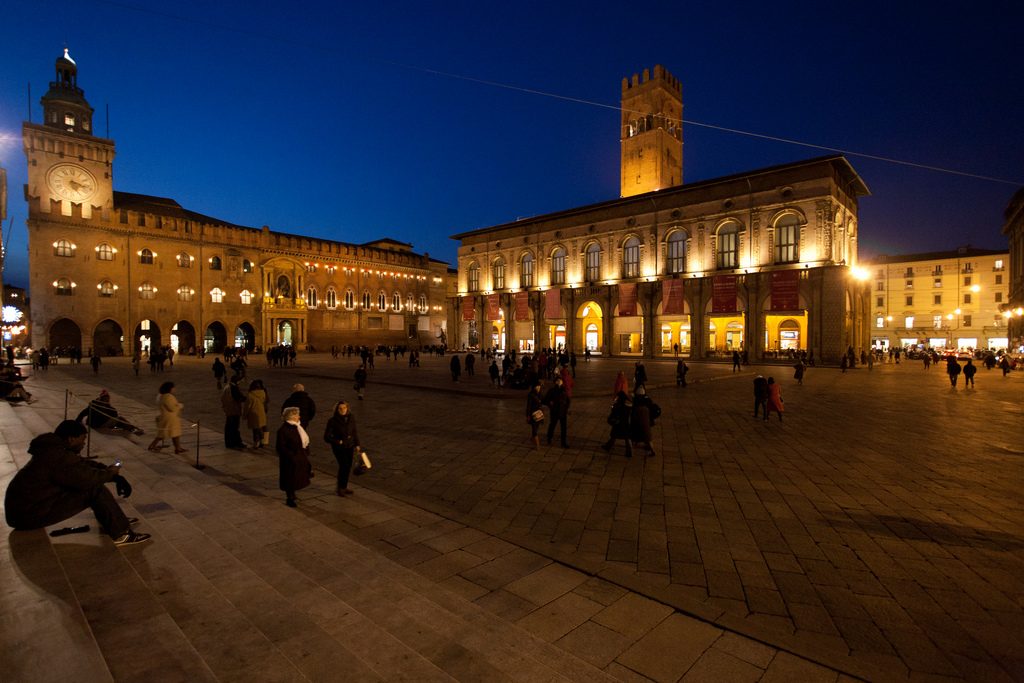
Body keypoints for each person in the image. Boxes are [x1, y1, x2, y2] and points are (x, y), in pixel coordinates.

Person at [4, 420, 150, 546]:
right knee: (93, 489)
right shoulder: (57, 457)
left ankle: (114, 519)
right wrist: (110, 474)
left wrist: (109, 473)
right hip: (27, 516)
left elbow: (81, 464)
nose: (84, 443)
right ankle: (121, 534)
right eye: (82, 439)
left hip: (27, 509)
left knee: (92, 484)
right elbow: (86, 478)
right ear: (71, 439)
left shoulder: (54, 450)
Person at [276, 407, 312, 508]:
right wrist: (292, 456)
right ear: (291, 417)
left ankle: (293, 494)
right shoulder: (283, 430)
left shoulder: (297, 427)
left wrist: (305, 452)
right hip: (289, 460)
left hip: (299, 457)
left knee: (296, 478)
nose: (299, 417)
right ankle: (289, 498)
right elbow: (280, 447)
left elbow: (303, 441)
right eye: (297, 415)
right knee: (289, 478)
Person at [323, 400, 359, 496]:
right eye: (340, 408)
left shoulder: (351, 417)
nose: (342, 410)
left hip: (350, 446)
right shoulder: (332, 421)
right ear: (337, 409)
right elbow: (326, 437)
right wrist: (338, 441)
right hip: (339, 447)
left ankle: (344, 486)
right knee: (343, 466)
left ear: (347, 408)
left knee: (348, 466)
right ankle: (340, 488)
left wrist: (357, 444)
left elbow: (354, 431)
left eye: (344, 408)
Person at [76, 390, 144, 435]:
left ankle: (133, 428)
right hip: (98, 424)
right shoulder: (96, 405)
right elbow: (83, 413)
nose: (107, 400)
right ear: (102, 398)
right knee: (120, 419)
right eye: (106, 398)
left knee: (119, 421)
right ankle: (134, 429)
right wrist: (77, 422)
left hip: (98, 423)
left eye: (107, 398)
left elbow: (114, 413)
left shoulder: (101, 405)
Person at [148, 382, 186, 453]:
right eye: (173, 388)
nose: (174, 389)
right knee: (163, 434)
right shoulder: (168, 397)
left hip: (168, 418)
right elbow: (172, 408)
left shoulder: (162, 396)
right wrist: (180, 405)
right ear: (170, 388)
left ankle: (178, 448)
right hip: (170, 419)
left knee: (175, 434)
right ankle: (152, 446)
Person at [601, 391, 633, 458]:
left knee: (614, 436)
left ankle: (608, 446)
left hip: (618, 424)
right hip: (626, 425)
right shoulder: (628, 407)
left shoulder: (616, 406)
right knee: (627, 438)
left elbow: (613, 415)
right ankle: (629, 452)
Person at [543, 375, 570, 448]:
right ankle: (549, 438)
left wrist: (566, 408)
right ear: (555, 382)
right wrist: (550, 404)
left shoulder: (564, 390)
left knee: (563, 428)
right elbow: (545, 400)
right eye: (557, 380)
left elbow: (568, 400)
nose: (559, 382)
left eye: (560, 380)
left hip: (563, 412)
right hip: (554, 411)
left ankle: (563, 442)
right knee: (552, 425)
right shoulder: (552, 390)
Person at [630, 386, 658, 457]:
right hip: (646, 424)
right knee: (648, 439)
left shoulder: (637, 407)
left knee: (634, 437)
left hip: (638, 425)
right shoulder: (648, 403)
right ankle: (652, 450)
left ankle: (631, 452)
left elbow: (634, 416)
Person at [221, 378, 246, 450]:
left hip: (229, 410)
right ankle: (234, 442)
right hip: (233, 411)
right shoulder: (233, 388)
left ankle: (232, 442)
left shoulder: (228, 387)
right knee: (233, 427)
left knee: (230, 427)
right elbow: (238, 397)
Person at [243, 379, 269, 449]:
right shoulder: (263, 393)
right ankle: (264, 442)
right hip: (261, 412)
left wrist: (244, 415)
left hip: (253, 414)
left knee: (255, 429)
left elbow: (247, 407)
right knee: (263, 427)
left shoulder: (250, 395)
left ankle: (256, 443)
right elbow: (265, 401)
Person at [525, 381, 544, 449]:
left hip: (539, 414)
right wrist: (528, 415)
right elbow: (528, 406)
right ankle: (537, 445)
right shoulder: (531, 395)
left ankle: (532, 438)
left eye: (539, 386)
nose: (538, 387)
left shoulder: (540, 394)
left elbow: (543, 401)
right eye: (537, 386)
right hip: (533, 414)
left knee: (536, 428)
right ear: (534, 387)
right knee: (534, 429)